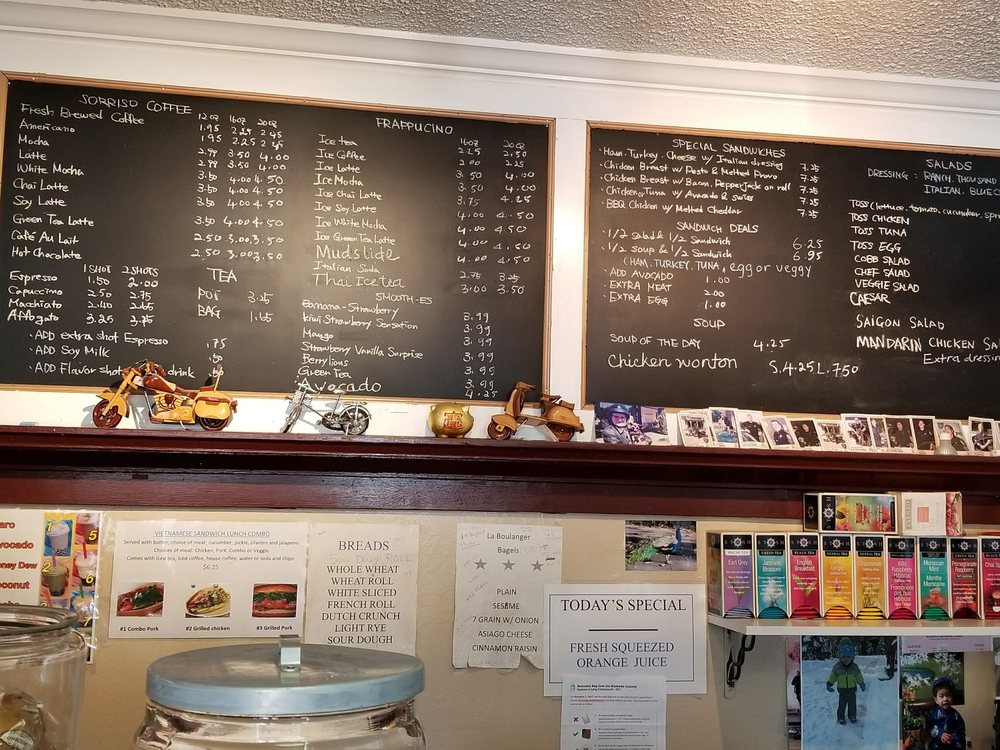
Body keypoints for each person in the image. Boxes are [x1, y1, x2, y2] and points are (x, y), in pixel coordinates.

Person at [826, 638, 865, 725]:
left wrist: (861, 683)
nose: (846, 659)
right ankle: (841, 717)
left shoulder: (854, 667)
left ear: (852, 656)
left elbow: (859, 676)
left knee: (852, 705)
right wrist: (829, 684)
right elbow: (833, 677)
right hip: (842, 691)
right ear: (840, 656)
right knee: (841, 706)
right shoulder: (837, 667)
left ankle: (852, 716)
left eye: (848, 657)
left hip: (852, 691)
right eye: (843, 657)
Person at [922, 676, 965, 749]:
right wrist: (940, 733)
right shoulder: (933, 713)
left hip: (952, 745)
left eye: (948, 695)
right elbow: (929, 726)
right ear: (936, 700)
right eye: (941, 696)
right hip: (936, 745)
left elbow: (961, 732)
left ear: (952, 697)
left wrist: (952, 737)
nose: (945, 699)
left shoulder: (956, 715)